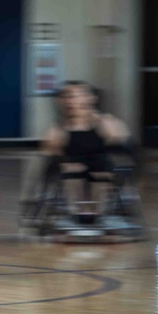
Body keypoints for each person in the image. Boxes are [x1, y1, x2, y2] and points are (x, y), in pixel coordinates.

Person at [40, 81, 131, 222]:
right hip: (71, 165)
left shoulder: (106, 122)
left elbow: (122, 147)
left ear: (90, 99)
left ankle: (97, 212)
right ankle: (77, 211)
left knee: (100, 167)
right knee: (71, 169)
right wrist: (60, 159)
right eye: (66, 96)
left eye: (75, 96)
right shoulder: (57, 129)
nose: (70, 101)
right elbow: (48, 155)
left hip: (99, 164)